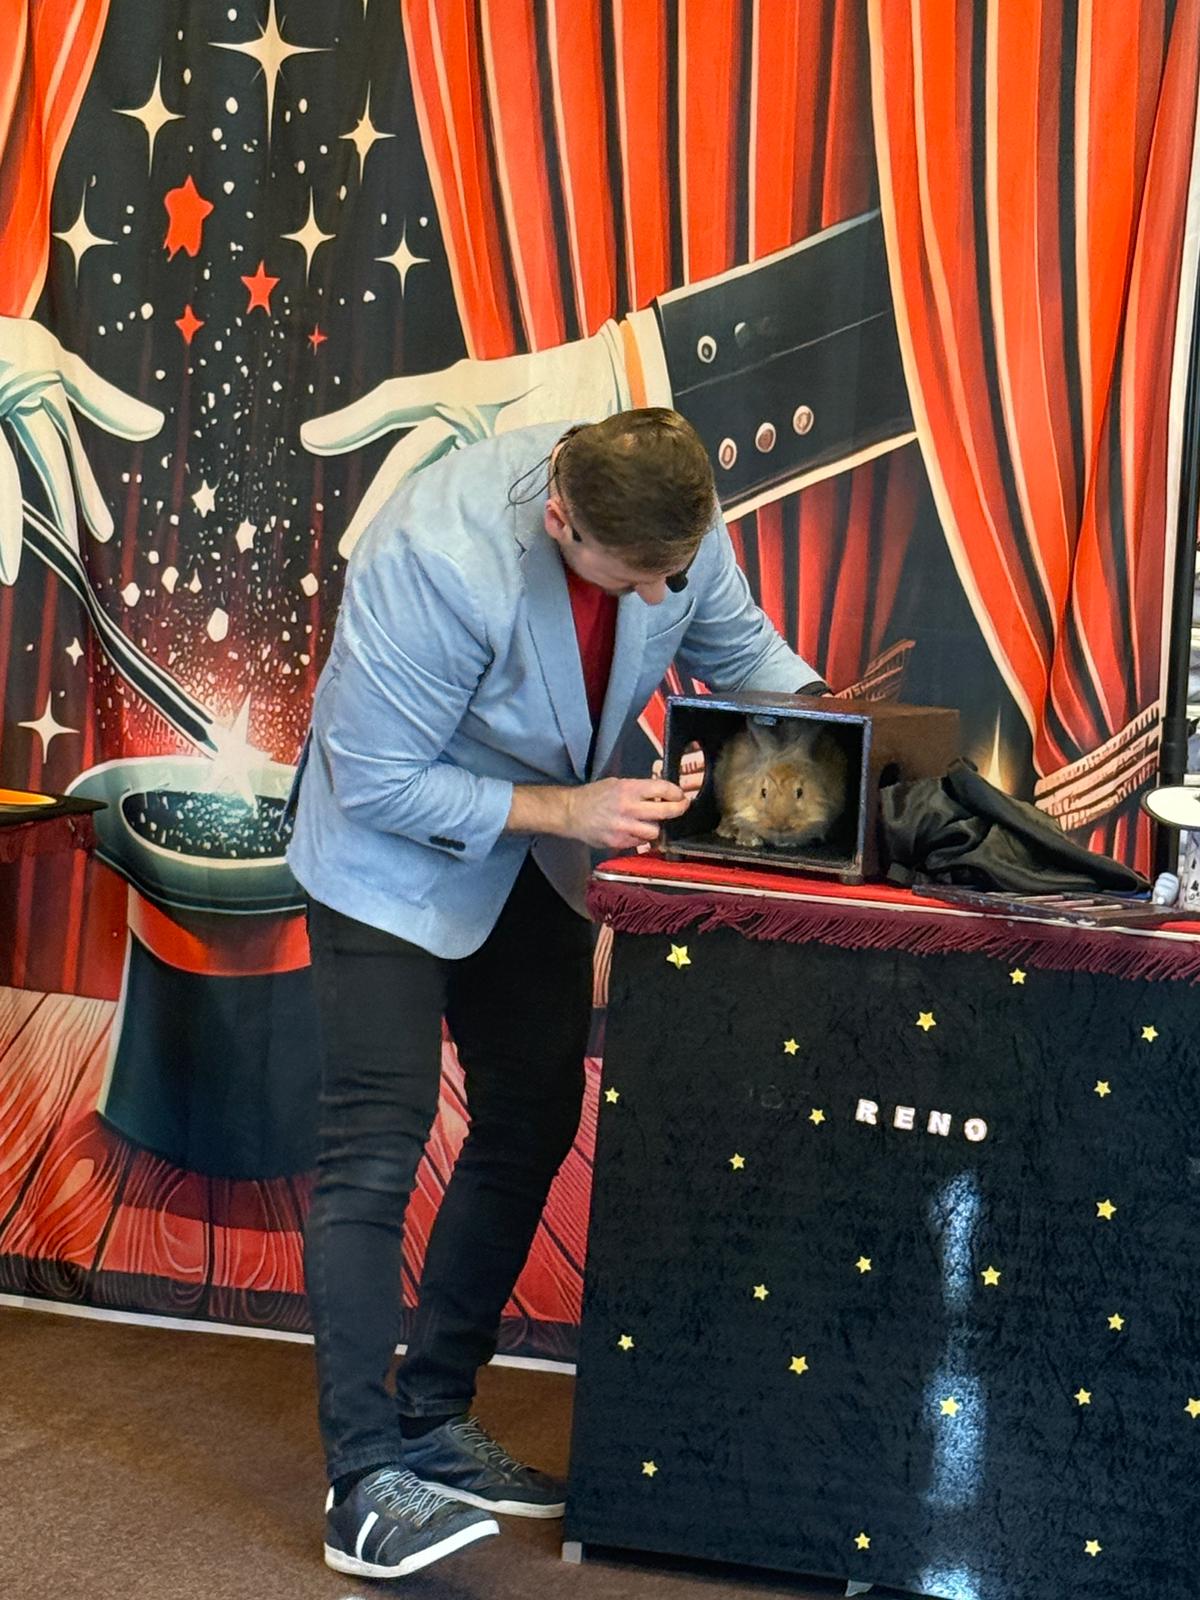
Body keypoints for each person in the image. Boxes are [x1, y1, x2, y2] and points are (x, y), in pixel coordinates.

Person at [286, 407, 828, 1579]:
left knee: (534, 1113)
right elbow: (376, 780)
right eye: (637, 577)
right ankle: (362, 1481)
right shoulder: (436, 553)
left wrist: (849, 746)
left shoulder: (671, 517)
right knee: (377, 1145)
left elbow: (746, 653)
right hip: (385, 861)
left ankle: (430, 1419)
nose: (663, 594)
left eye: (675, 569)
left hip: (527, 855)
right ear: (559, 520)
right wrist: (574, 809)